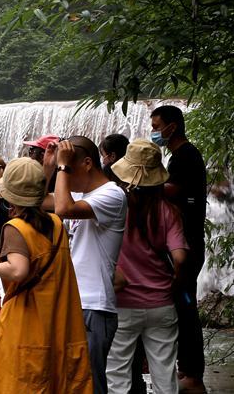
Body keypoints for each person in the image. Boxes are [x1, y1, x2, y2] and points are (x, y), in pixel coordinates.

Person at [0, 158, 93, 393]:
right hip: (56, 317)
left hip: (26, 320)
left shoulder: (15, 227)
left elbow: (18, 270)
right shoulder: (56, 223)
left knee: (20, 382)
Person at [44, 136, 127, 394]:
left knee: (90, 384)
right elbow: (35, 200)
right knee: (69, 383)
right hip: (74, 302)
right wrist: (50, 168)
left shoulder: (112, 194)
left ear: (88, 163)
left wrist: (61, 168)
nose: (65, 176)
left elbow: (63, 209)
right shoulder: (83, 194)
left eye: (69, 167)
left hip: (94, 305)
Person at [106, 138, 188, 394]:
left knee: (117, 373)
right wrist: (174, 283)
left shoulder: (116, 205)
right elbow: (181, 258)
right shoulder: (167, 210)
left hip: (123, 302)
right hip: (161, 303)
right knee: (164, 373)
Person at [150, 104, 208, 393]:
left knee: (186, 307)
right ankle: (187, 370)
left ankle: (192, 374)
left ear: (173, 126)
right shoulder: (182, 155)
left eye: (157, 126)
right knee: (182, 306)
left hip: (187, 244)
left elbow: (174, 190)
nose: (155, 132)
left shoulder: (186, 156)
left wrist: (147, 185)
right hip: (185, 242)